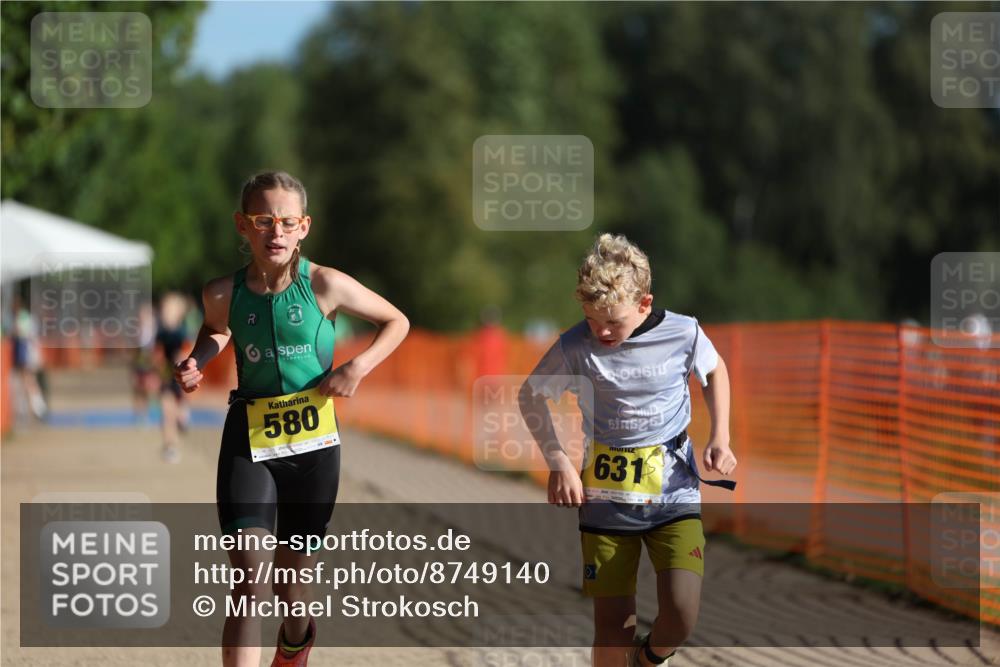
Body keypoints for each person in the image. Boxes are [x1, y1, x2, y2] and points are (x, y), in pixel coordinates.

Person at [173, 171, 409, 666]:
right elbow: (217, 330)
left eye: (286, 222)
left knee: (290, 586)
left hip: (313, 447)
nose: (274, 233)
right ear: (243, 225)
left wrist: (356, 368)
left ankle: (297, 638)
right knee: (249, 577)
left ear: (304, 226)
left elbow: (396, 321)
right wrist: (199, 359)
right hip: (250, 439)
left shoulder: (325, 284)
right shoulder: (221, 293)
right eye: (263, 221)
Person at [519, 233, 737, 667]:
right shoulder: (575, 345)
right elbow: (530, 394)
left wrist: (720, 436)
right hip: (605, 498)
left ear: (643, 304)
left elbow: (714, 370)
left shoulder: (684, 332)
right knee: (613, 626)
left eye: (612, 321)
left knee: (681, 615)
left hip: (673, 492)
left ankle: (650, 658)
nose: (600, 330)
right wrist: (559, 461)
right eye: (591, 318)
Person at [156, 291, 191, 462]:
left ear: (179, 312)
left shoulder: (182, 331)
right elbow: (157, 355)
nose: (166, 314)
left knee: (177, 411)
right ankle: (170, 445)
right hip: (166, 375)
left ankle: (183, 413)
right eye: (165, 310)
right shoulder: (160, 333)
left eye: (170, 310)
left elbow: (187, 351)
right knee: (165, 410)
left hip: (181, 374)